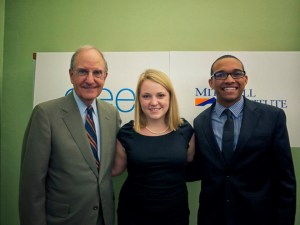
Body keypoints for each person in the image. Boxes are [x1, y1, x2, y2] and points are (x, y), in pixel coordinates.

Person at [187, 55, 296, 225]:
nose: (229, 79)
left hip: (258, 218)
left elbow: (285, 178)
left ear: (245, 79)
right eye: (221, 74)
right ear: (211, 83)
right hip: (213, 218)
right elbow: (201, 169)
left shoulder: (272, 117)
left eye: (236, 73)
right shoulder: (200, 122)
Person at [19, 45, 121, 225]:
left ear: (105, 77)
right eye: (83, 71)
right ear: (71, 74)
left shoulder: (111, 115)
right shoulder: (46, 114)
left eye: (97, 73)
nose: (90, 80)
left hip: (104, 219)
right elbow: (32, 185)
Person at [112, 69, 195, 225]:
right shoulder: (126, 133)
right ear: (139, 99)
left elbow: (190, 159)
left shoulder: (185, 130)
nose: (154, 102)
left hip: (175, 213)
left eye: (161, 95)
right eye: (146, 96)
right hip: (133, 214)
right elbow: (116, 170)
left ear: (170, 98)